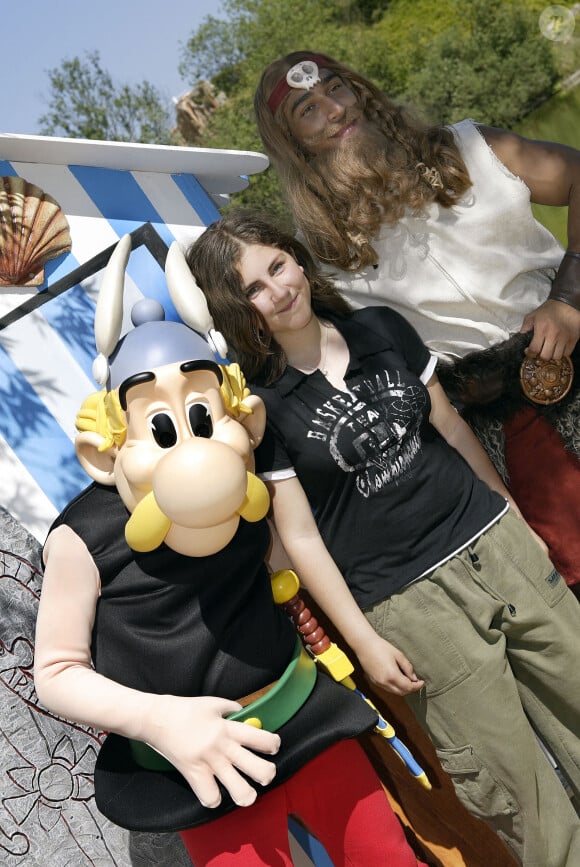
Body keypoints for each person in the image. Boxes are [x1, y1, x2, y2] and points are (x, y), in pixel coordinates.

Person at [186, 210, 580, 867]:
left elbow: (452, 429)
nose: (278, 289)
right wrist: (364, 640)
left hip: (493, 543)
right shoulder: (261, 406)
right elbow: (301, 536)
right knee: (512, 782)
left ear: (298, 260)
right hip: (408, 603)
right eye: (254, 286)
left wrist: (513, 516)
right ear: (238, 309)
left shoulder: (380, 328)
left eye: (278, 266)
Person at [33, 236, 426, 867]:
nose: (193, 449)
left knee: (386, 856)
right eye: (160, 426)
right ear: (108, 448)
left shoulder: (246, 483)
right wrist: (163, 723)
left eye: (201, 413)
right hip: (198, 768)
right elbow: (55, 673)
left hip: (302, 716)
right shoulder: (84, 535)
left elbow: (290, 555)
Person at [253, 50, 580, 594]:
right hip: (499, 433)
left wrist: (569, 299)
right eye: (308, 109)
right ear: (293, 145)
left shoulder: (470, 148)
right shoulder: (320, 256)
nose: (333, 110)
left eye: (337, 89)